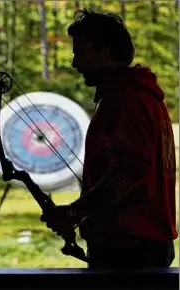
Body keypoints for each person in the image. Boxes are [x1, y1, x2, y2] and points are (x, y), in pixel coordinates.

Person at [41, 9, 178, 270]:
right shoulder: (141, 95)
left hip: (128, 249)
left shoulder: (125, 100)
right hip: (140, 244)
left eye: (82, 53)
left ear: (105, 51)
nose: (74, 64)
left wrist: (74, 212)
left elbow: (130, 172)